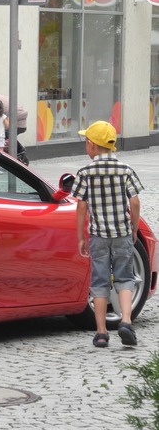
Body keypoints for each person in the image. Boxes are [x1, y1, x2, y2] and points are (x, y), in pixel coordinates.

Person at [71, 121, 144, 348]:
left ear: (92, 145)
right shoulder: (125, 170)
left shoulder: (85, 172)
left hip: (98, 235)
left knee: (100, 282)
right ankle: (126, 321)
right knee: (125, 278)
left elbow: (81, 206)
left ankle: (101, 332)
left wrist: (81, 236)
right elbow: (135, 201)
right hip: (122, 233)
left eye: (86, 142)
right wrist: (133, 227)